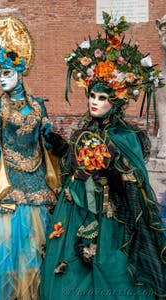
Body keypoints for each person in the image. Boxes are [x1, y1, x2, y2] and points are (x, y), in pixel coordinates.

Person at [40, 12, 166, 300]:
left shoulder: (125, 137)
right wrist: (64, 150)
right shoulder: (83, 129)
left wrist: (113, 172)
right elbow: (73, 165)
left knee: (110, 270)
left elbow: (134, 181)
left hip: (111, 218)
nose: (94, 103)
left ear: (116, 101)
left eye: (102, 98)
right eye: (92, 96)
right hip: (77, 209)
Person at [0, 16, 57, 300]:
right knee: (3, 249)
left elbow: (46, 144)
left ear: (19, 71)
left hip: (39, 182)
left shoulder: (40, 106)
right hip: (8, 184)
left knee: (35, 249)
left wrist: (55, 141)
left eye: (7, 73)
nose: (3, 79)